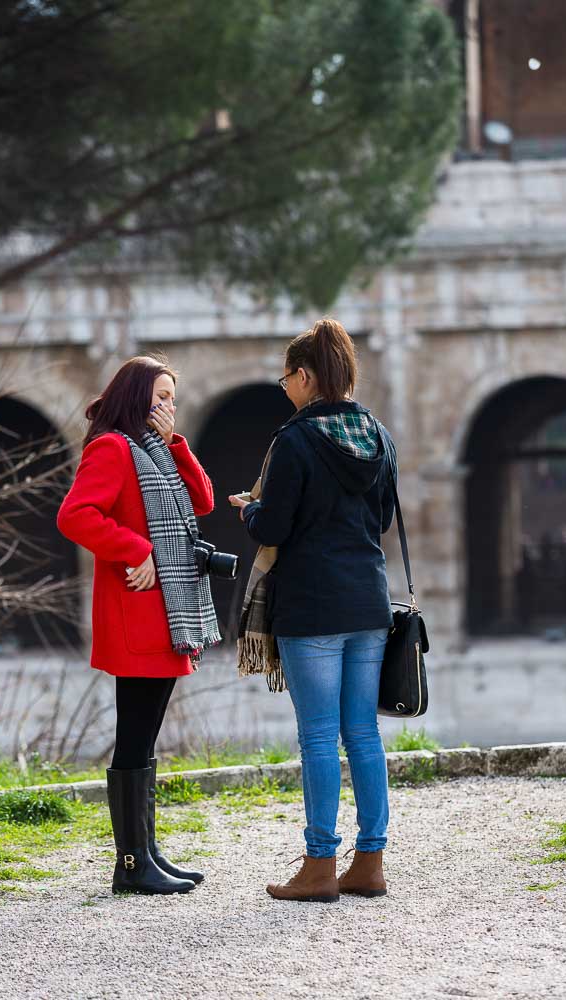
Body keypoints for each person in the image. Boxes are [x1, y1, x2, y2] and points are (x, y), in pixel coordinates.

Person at [229, 318, 396, 903]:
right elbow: (381, 520)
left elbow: (273, 525)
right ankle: (369, 861)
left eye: (285, 380)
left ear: (304, 376)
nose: (286, 390)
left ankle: (320, 865)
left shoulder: (295, 440)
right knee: (363, 734)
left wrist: (249, 510)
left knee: (320, 738)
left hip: (312, 605)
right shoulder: (376, 433)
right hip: (369, 600)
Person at [58, 355, 220, 895]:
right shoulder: (112, 448)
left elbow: (204, 500)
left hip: (165, 614)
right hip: (138, 611)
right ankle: (131, 866)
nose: (170, 407)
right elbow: (76, 515)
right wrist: (136, 549)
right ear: (136, 400)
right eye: (161, 399)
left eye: (173, 398)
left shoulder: (158, 451)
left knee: (146, 736)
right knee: (134, 734)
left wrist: (178, 443)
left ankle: (144, 853)